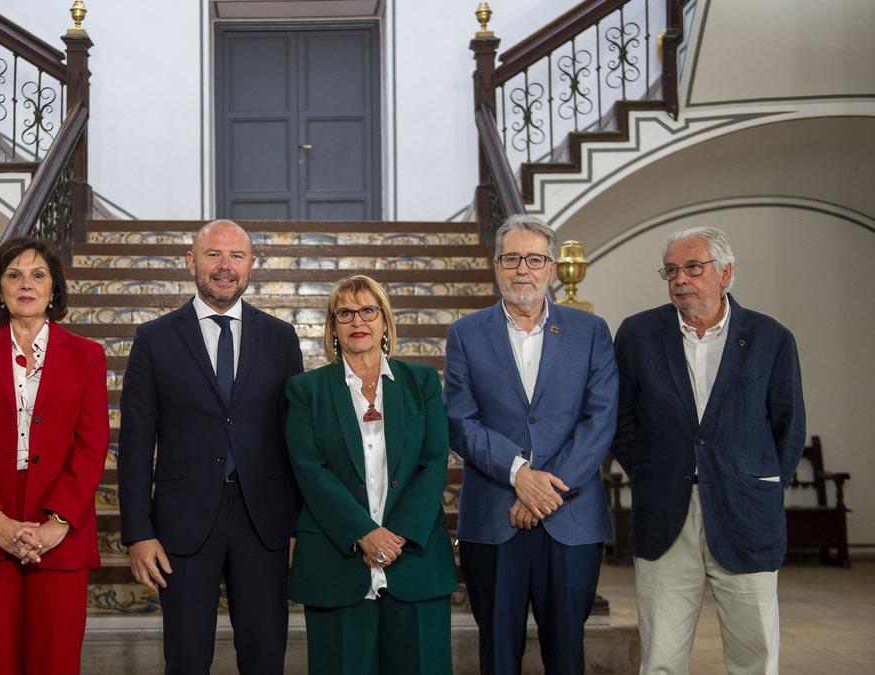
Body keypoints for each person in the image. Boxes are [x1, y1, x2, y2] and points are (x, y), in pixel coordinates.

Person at [612, 226, 805, 674]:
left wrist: (759, 485)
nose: (681, 279)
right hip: (665, 513)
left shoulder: (771, 337)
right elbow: (622, 420)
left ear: (725, 273)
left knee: (755, 655)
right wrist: (649, 473)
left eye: (693, 268)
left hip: (746, 512)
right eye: (672, 270)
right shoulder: (638, 334)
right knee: (660, 655)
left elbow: (788, 425)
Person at [117, 219, 303, 674]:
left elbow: (295, 438)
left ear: (252, 266)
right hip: (182, 523)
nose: (225, 266)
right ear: (191, 263)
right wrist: (139, 532)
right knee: (186, 658)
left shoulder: (281, 338)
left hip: (264, 522)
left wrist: (301, 524)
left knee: (265, 657)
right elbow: (136, 443)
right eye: (213, 255)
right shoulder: (154, 339)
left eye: (236, 256)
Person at [444, 214, 618, 674]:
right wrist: (519, 475)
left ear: (552, 267)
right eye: (512, 258)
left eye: (534, 259)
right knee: (498, 655)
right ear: (496, 265)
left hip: (571, 518)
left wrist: (544, 491)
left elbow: (600, 419)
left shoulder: (591, 331)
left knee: (567, 655)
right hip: (495, 516)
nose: (523, 269)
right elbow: (460, 419)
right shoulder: (465, 333)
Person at [0, 236, 109, 675]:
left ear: (54, 289)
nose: (26, 284)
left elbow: (92, 446)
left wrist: (59, 522)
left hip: (61, 525)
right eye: (14, 275)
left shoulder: (87, 356)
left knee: (55, 661)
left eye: (38, 275)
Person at [285, 275, 455, 674]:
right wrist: (363, 532)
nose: (356, 319)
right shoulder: (306, 390)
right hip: (336, 562)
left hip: (414, 560)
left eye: (367, 310)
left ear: (384, 321)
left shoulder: (422, 382)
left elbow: (433, 462)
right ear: (332, 325)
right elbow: (310, 469)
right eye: (345, 312)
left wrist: (397, 537)